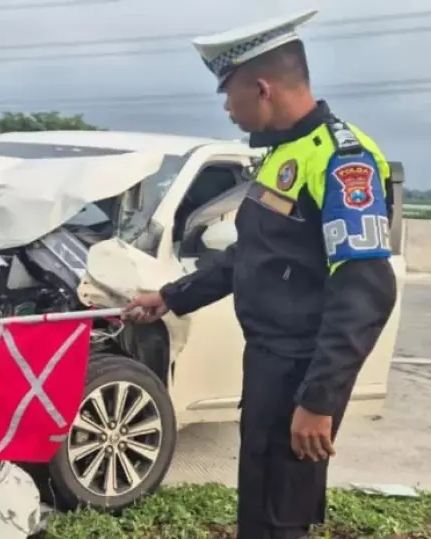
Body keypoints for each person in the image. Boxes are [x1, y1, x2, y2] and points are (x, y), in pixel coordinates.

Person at [123, 9, 398, 539]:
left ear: (262, 86)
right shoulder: (281, 157)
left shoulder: (343, 162)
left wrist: (318, 400)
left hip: (303, 368)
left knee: (281, 513)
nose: (227, 107)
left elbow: (364, 290)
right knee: (262, 500)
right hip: (269, 360)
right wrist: (172, 295)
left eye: (229, 93)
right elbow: (253, 256)